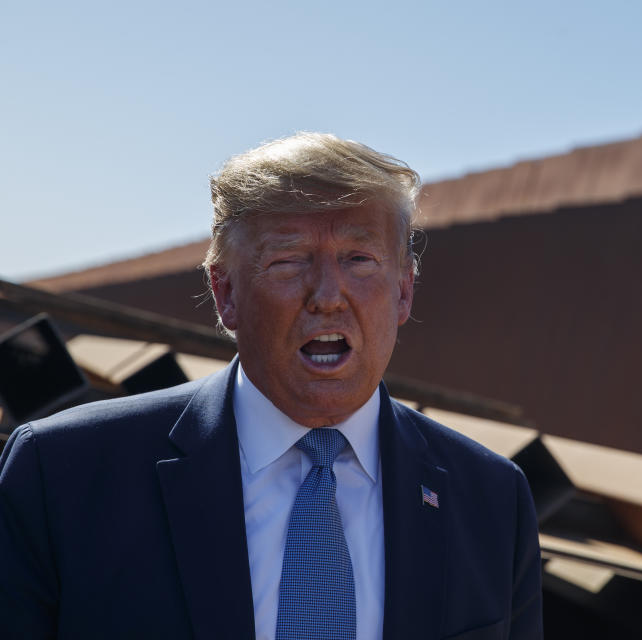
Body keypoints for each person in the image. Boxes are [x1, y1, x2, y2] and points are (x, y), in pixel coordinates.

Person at [0, 133, 543, 639]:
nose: (328, 295)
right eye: (289, 261)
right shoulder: (62, 476)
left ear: (404, 292)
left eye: (359, 259)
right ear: (225, 294)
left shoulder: (492, 500)